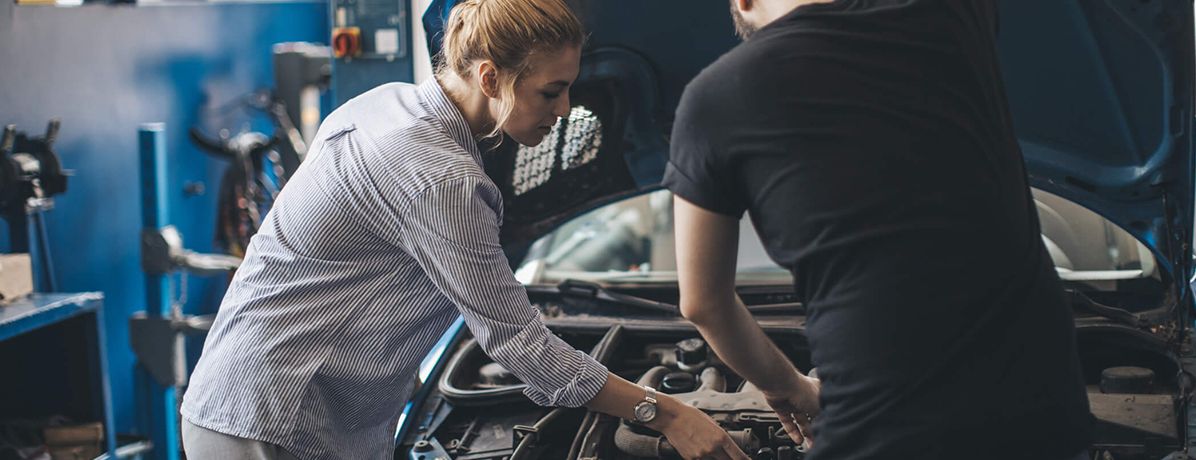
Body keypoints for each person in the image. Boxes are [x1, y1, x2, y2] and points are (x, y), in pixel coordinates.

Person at [179, 1, 749, 458]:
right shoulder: (438, 176)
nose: (566, 109)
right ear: (489, 76)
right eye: (551, 91)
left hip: (267, 405)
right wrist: (666, 412)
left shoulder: (386, 104)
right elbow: (520, 345)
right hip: (272, 421)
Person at [665, 0, 1094, 459]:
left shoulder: (712, 97)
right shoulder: (955, 17)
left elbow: (704, 302)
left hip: (883, 430)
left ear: (744, 4)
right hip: (1044, 415)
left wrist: (785, 385)